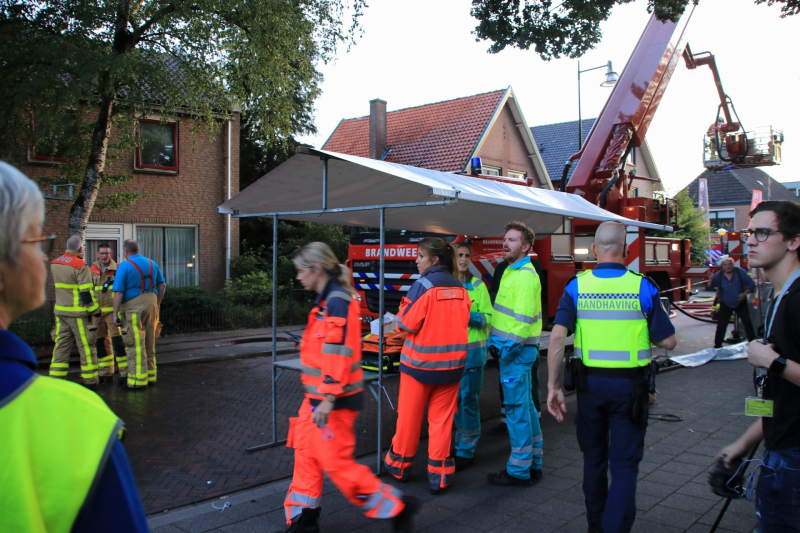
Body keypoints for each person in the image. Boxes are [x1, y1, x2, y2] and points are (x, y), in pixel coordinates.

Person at [0, 161, 149, 532]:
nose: (43, 254)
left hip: (66, 314)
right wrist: (90, 312)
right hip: (84, 315)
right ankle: (93, 378)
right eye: (36, 240)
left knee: (65, 351)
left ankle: (66, 375)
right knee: (86, 350)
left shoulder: (95, 266)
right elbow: (89, 291)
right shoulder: (82, 424)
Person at [546, 221, 677, 533]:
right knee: (624, 466)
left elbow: (556, 337)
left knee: (593, 461)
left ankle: (596, 525)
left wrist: (553, 386)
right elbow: (669, 341)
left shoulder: (577, 286)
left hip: (589, 389)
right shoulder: (642, 287)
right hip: (630, 390)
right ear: (627, 251)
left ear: (594, 250)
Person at [282, 242, 417, 533]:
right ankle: (303, 521)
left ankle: (397, 507)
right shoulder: (328, 299)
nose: (298, 277)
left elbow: (339, 350)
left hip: (332, 401)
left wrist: (329, 396)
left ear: (317, 269)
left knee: (336, 464)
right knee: (305, 453)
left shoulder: (336, 301)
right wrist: (303, 344)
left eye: (301, 271)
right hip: (317, 399)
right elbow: (328, 345)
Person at [718, 200, 800, 533]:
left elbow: (779, 370)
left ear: (794, 241)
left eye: (764, 233)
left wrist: (773, 361)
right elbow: (782, 399)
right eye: (751, 232)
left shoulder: (797, 299)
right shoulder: (779, 295)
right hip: (779, 447)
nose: (750, 241)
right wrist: (741, 446)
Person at [385, 237, 471, 495]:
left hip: (419, 368)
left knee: (409, 420)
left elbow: (406, 324)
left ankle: (399, 466)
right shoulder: (461, 288)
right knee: (442, 423)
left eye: (420, 256)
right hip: (452, 369)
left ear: (433, 260)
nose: (416, 260)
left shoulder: (423, 285)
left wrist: (400, 312)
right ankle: (440, 476)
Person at [487, 221, 545, 487]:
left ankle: (518, 471)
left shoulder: (522, 276)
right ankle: (534, 463)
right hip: (517, 354)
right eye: (505, 238)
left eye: (512, 240)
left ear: (525, 247)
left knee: (517, 412)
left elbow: (521, 323)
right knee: (528, 410)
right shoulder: (514, 271)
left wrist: (506, 353)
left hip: (515, 355)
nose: (505, 243)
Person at [452, 242, 492, 470]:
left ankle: (467, 450)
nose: (464, 259)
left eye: (467, 255)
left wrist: (468, 313)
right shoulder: (446, 284)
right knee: (453, 401)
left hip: (473, 352)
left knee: (468, 401)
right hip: (450, 352)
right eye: (460, 255)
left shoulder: (478, 286)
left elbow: (489, 318)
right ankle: (459, 444)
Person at [112, 239, 166, 389]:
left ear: (125, 252)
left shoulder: (124, 266)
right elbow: (162, 285)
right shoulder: (151, 263)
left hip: (133, 309)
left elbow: (118, 293)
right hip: (152, 306)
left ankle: (137, 381)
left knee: (135, 344)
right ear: (138, 249)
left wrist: (114, 313)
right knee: (150, 342)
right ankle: (151, 377)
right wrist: (158, 303)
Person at [50, 234, 101, 389]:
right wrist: (96, 311)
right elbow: (86, 293)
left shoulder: (55, 263)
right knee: (86, 347)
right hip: (78, 315)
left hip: (60, 313)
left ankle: (56, 381)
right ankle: (91, 381)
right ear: (80, 248)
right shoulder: (80, 265)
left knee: (61, 347)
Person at [91, 243, 127, 383]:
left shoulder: (118, 269)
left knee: (118, 342)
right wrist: (94, 312)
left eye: (106, 253)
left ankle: (124, 373)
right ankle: (105, 373)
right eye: (102, 253)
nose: (104, 256)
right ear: (97, 254)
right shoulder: (92, 270)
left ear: (110, 254)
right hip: (98, 314)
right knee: (101, 343)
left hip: (113, 313)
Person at [707, 254, 756, 348]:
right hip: (725, 303)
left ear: (733, 265)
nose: (728, 266)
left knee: (747, 322)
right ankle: (717, 346)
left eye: (730, 264)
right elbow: (709, 288)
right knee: (721, 325)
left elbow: (752, 285)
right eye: (725, 265)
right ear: (722, 266)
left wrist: (744, 293)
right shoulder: (719, 275)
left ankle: (753, 343)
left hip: (740, 301)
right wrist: (710, 279)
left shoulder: (740, 272)